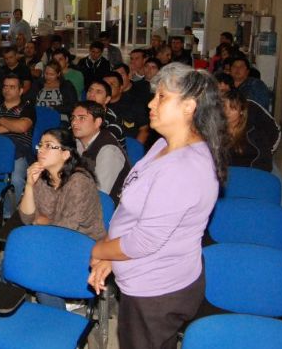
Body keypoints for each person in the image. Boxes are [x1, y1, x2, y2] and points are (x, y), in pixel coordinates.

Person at [88, 63, 227, 349]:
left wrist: (96, 249)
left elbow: (143, 241)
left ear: (189, 107)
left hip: (156, 291)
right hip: (145, 277)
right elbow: (135, 213)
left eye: (162, 97)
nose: (151, 103)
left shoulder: (184, 168)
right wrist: (113, 257)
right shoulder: (163, 145)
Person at [19, 127, 105, 309]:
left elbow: (67, 230)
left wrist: (42, 222)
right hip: (51, 240)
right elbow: (27, 218)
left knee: (41, 279)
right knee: (14, 265)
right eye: (40, 145)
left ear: (65, 154)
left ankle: (59, 322)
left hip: (84, 246)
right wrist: (28, 185)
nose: (41, 150)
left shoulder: (79, 182)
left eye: (49, 146)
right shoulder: (42, 178)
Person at [0, 74, 36, 212]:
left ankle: (8, 213)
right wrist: (13, 125)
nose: (7, 90)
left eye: (12, 87)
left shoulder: (28, 107)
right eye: (5, 86)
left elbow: (22, 127)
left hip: (17, 152)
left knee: (16, 180)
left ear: (20, 90)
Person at [70, 101, 131, 203]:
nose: (74, 123)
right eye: (73, 118)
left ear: (97, 122)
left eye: (82, 118)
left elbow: (99, 195)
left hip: (108, 211)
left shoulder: (109, 151)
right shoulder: (77, 142)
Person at [223, 89, 281, 171]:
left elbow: (264, 161)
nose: (227, 112)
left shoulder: (253, 133)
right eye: (224, 107)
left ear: (241, 111)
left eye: (233, 108)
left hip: (250, 174)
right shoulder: (215, 131)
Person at [103, 72, 150, 145]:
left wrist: (135, 150)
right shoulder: (97, 105)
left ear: (120, 88)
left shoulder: (134, 103)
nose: (107, 87)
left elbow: (144, 130)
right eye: (105, 85)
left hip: (129, 147)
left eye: (112, 84)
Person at [86, 79, 126, 147]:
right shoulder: (80, 113)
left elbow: (100, 145)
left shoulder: (114, 121)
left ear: (107, 99)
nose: (92, 95)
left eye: (98, 92)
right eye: (90, 90)